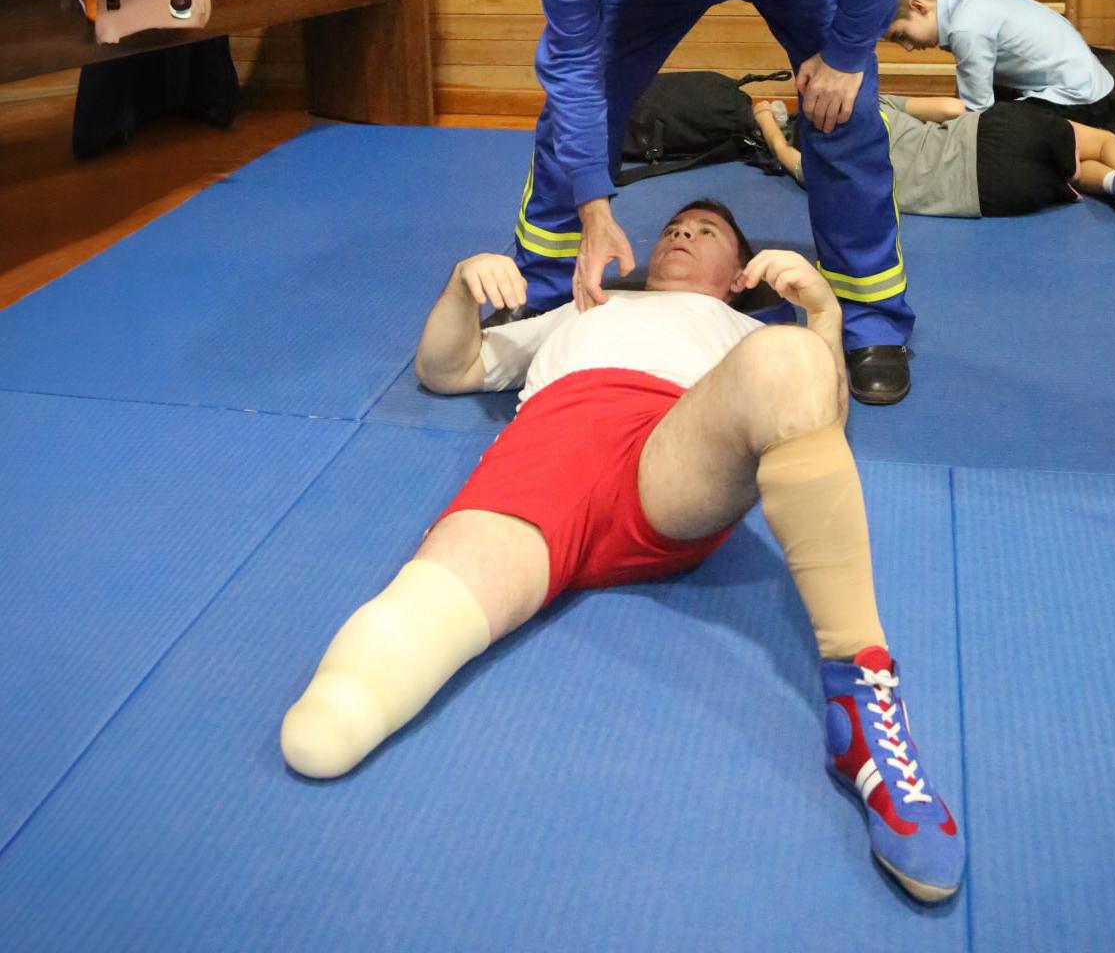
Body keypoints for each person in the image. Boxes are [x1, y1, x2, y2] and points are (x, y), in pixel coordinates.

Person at [281, 199, 965, 904]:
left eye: (707, 232)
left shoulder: (750, 330)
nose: (683, 234)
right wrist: (460, 287)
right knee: (332, 722)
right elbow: (445, 370)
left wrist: (822, 314)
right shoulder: (586, 306)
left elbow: (818, 419)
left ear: (739, 275)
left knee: (791, 359)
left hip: (673, 458)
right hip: (551, 452)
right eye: (674, 228)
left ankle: (863, 703)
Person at [515, 0, 913, 406]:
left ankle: (871, 320)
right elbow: (573, 57)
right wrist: (592, 199)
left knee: (844, 113)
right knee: (573, 116)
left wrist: (845, 57)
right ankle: (543, 292)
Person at [751, 93, 1115, 228]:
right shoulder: (873, 106)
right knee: (1099, 142)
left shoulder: (824, 169)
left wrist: (767, 121)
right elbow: (951, 108)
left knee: (1075, 174)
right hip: (988, 136)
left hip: (992, 195)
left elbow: (784, 153)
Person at [883, 0, 1115, 149]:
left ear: (919, 6)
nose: (908, 48)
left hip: (1077, 94)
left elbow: (975, 115)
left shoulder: (966, 29)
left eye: (901, 35)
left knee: (998, 140)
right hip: (1079, 67)